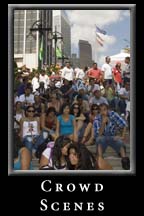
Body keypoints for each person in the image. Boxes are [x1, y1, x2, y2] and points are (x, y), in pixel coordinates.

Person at [93, 103, 130, 170]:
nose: (103, 112)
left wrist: (122, 136)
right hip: (102, 138)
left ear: (108, 109)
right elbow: (99, 134)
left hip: (112, 137)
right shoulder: (97, 118)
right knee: (98, 139)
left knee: (120, 141)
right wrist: (103, 123)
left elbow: (124, 124)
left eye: (104, 109)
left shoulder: (113, 114)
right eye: (101, 110)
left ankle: (125, 161)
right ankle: (100, 159)